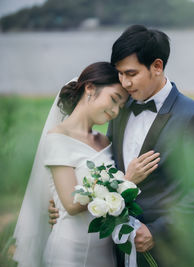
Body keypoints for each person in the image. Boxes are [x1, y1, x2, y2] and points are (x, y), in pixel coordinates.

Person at [50, 25, 194, 267]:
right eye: (119, 74)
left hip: (169, 253)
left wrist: (157, 232)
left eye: (131, 73)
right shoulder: (120, 109)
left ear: (157, 67)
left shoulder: (192, 116)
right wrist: (68, 202)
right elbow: (106, 167)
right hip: (114, 251)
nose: (124, 83)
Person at [13, 62, 160, 267]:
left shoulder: (105, 141)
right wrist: (127, 180)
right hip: (70, 253)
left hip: (106, 252)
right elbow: (72, 205)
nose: (116, 111)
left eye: (120, 106)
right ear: (90, 88)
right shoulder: (58, 138)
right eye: (114, 100)